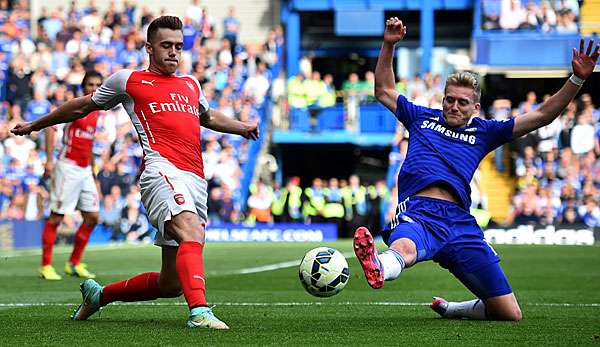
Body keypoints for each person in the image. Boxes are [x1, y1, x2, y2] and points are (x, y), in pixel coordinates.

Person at [11, 16, 259, 329]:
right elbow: (81, 107)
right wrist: (35, 125)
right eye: (166, 45)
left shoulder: (191, 85)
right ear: (149, 48)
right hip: (161, 171)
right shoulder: (128, 80)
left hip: (195, 178)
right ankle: (200, 312)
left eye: (179, 47)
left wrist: (243, 127)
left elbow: (206, 118)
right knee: (191, 231)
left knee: (172, 283)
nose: (173, 52)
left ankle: (99, 296)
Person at [353, 17, 598, 321]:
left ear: (475, 108)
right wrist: (389, 45)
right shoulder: (421, 117)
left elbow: (543, 116)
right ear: (442, 100)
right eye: (449, 100)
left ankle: (452, 309)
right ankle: (379, 265)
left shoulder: (485, 131)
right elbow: (384, 90)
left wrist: (576, 80)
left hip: (460, 225)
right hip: (420, 212)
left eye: (462, 103)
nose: (454, 106)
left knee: (509, 313)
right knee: (406, 247)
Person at [38, 71, 104, 281]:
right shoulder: (75, 106)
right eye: (90, 84)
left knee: (93, 217)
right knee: (57, 216)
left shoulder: (97, 111)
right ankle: (46, 265)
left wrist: (94, 172)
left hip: (85, 170)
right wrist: (49, 160)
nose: (94, 88)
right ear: (82, 87)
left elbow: (90, 143)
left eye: (98, 84)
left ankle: (73, 263)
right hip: (67, 167)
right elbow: (50, 129)